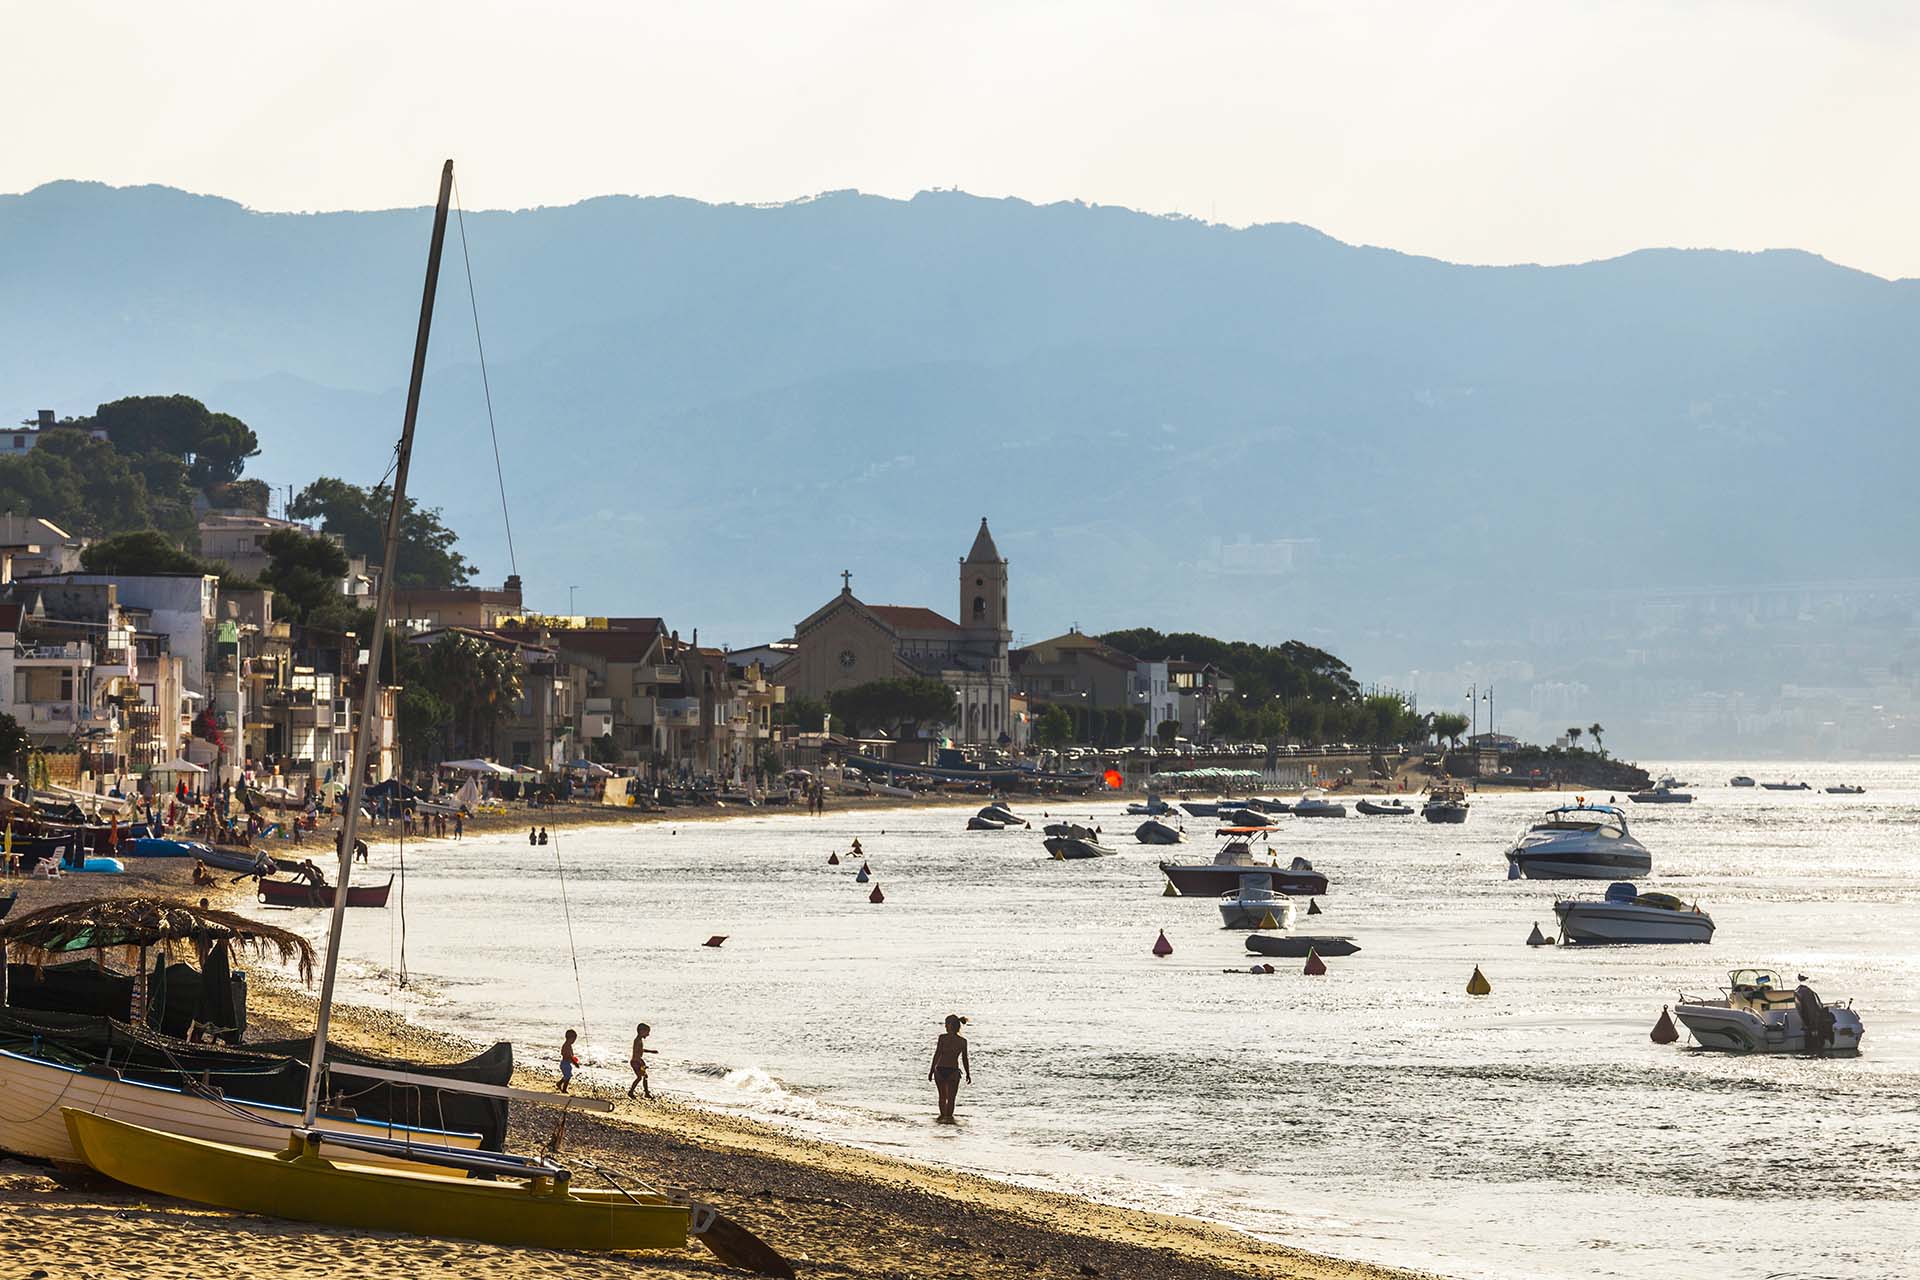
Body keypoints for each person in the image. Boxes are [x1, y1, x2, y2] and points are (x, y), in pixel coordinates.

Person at [928, 1014, 971, 1123]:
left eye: (946, 1024)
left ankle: (942, 1120)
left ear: (950, 1025)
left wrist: (932, 1070)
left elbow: (937, 1054)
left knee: (942, 1097)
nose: (945, 1027)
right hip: (953, 1071)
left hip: (940, 1070)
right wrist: (968, 1074)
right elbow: (964, 1059)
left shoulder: (942, 1038)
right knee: (951, 1099)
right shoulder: (962, 1041)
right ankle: (948, 1121)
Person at [627, 1023, 656, 1099]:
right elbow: (636, 1054)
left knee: (644, 1076)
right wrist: (641, 1063)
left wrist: (651, 1051)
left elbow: (641, 1050)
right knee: (640, 1077)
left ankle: (645, 1092)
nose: (648, 1034)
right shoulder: (637, 1041)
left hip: (638, 1062)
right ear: (641, 1031)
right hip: (636, 1062)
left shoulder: (639, 1040)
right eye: (647, 1032)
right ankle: (632, 1092)